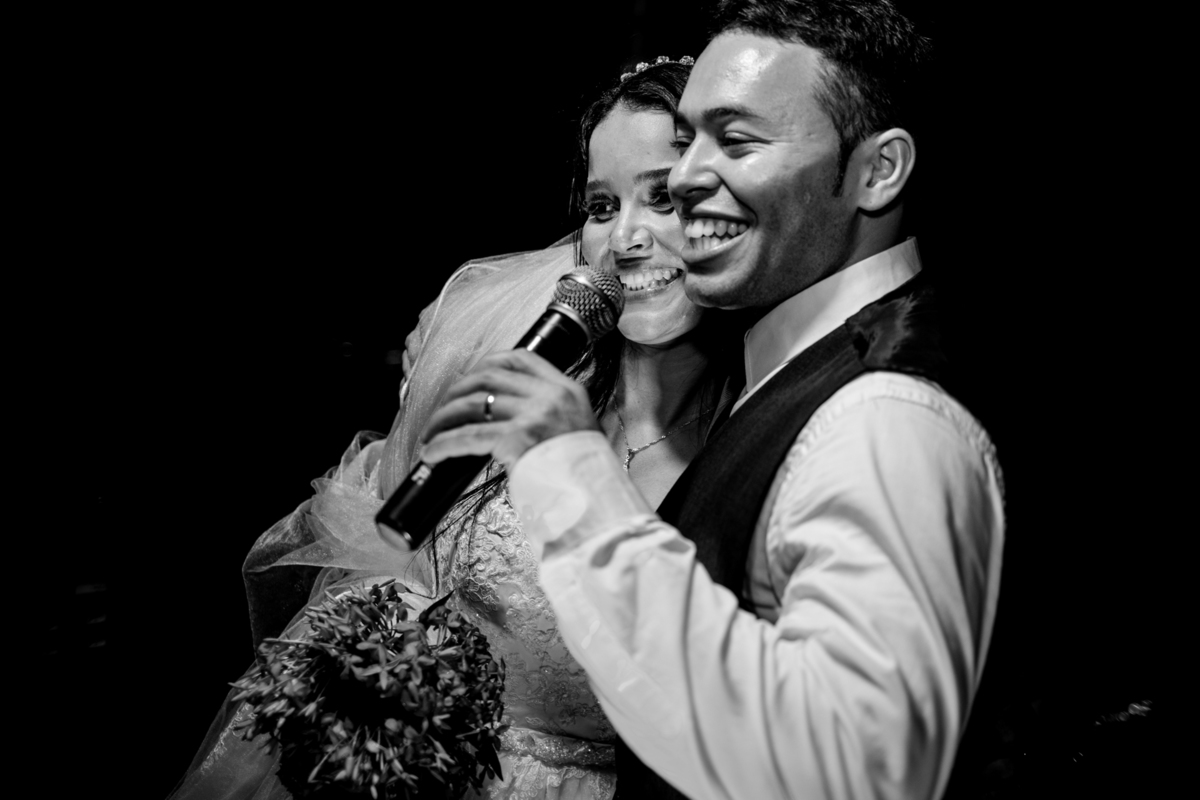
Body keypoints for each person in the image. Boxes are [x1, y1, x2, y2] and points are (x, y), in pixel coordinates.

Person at [419, 2, 1006, 799]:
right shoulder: (801, 367)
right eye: (689, 138)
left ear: (879, 172)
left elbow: (856, 773)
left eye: (735, 140)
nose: (691, 176)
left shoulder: (887, 414)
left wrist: (570, 476)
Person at [171, 56, 747, 800]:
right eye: (602, 208)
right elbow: (387, 552)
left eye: (663, 198)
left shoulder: (750, 450)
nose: (626, 238)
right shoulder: (522, 366)